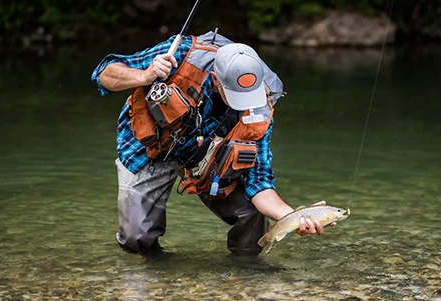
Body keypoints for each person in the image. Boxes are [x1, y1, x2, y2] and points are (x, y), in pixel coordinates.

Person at [91, 31, 336, 257]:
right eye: (236, 97)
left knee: (253, 214)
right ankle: (158, 276)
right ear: (216, 80)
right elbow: (103, 72)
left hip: (209, 156)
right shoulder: (181, 54)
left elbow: (259, 182)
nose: (244, 106)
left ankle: (245, 273)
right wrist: (143, 76)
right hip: (152, 147)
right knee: (137, 240)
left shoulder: (262, 102)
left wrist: (294, 217)